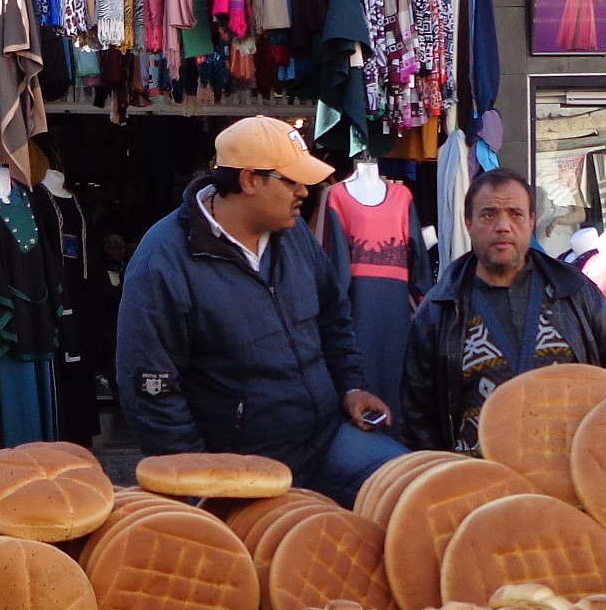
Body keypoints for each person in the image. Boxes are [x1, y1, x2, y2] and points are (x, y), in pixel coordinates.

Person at [117, 117, 406, 506]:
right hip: (241, 469)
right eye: (292, 181)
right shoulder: (163, 262)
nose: (306, 191)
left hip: (326, 439)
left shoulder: (294, 233)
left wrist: (350, 386)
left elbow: (333, 315)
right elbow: (151, 391)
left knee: (415, 490)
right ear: (250, 180)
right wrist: (199, 488)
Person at [400, 167, 606, 451]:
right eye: (488, 214)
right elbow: (418, 417)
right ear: (468, 223)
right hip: (481, 481)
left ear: (531, 221)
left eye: (515, 213)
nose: (503, 226)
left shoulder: (574, 291)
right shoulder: (439, 309)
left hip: (570, 472)